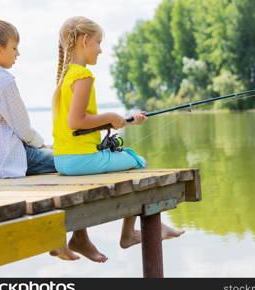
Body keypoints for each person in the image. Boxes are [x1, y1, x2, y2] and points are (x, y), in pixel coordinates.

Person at [52, 16, 185, 261]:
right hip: (81, 161)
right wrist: (111, 115)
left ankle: (81, 237)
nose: (101, 49)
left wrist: (125, 119)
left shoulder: (66, 76)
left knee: (125, 157)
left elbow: (79, 125)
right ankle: (129, 234)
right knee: (137, 160)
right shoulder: (83, 77)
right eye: (98, 42)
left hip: (63, 160)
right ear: (84, 40)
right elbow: (77, 122)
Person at [0, 19, 80, 261]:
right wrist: (41, 145)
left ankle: (62, 239)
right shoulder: (4, 82)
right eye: (14, 48)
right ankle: (62, 239)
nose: (18, 54)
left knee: (60, 160)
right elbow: (22, 128)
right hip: (13, 158)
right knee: (74, 161)